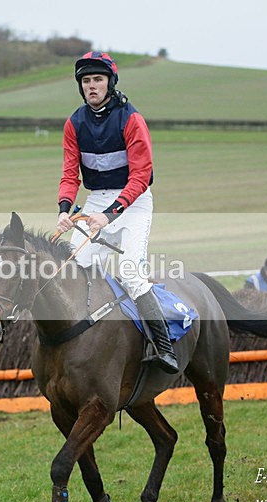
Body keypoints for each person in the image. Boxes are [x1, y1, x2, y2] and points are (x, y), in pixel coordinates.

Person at [55, 51, 179, 374]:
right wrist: (65, 210)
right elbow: (70, 175)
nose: (92, 86)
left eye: (98, 80)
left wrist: (110, 215)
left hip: (134, 201)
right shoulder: (74, 124)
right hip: (96, 199)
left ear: (110, 83)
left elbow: (141, 176)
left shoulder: (130, 118)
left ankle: (163, 345)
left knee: (129, 271)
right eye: (86, 81)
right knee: (75, 269)